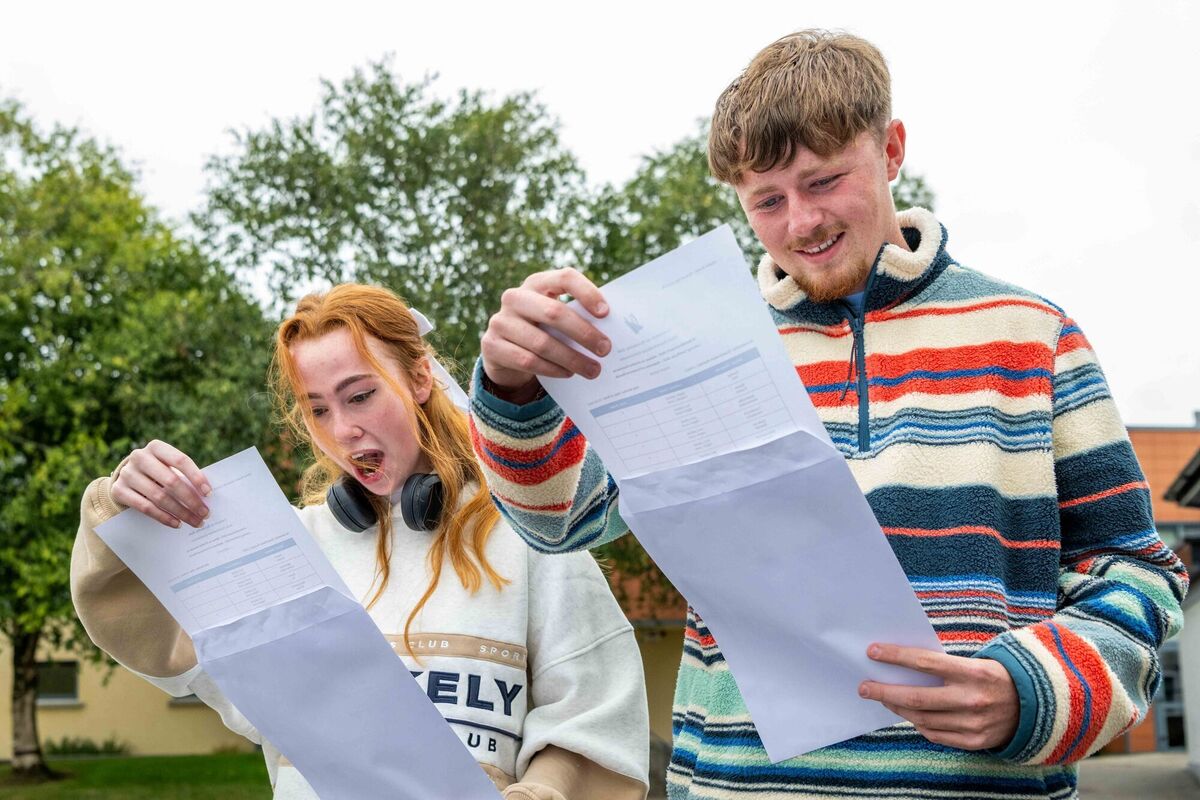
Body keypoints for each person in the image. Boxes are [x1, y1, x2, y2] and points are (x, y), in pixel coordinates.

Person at [467, 29, 1188, 799]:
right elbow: (563, 523)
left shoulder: (1032, 333)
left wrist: (1037, 689)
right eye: (767, 201)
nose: (801, 223)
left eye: (824, 181)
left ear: (892, 149)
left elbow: (1136, 572)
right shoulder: (690, 349)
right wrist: (513, 394)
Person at [71, 284, 650, 800]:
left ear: (420, 378)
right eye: (317, 408)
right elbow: (156, 637)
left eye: (359, 395)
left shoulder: (530, 529)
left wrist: (541, 791)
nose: (342, 430)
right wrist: (125, 511)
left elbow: (593, 716)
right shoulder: (292, 547)